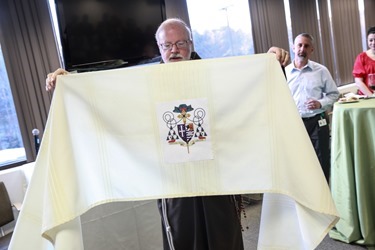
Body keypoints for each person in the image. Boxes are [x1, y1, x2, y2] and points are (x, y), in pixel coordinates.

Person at [46, 18, 289, 250]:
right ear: (159, 49)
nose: (174, 50)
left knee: (225, 241)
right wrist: (70, 85)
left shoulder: (215, 75)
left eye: (180, 43)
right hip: (174, 185)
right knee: (184, 242)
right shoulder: (145, 83)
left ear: (190, 45)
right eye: (167, 45)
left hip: (218, 180)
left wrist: (269, 64)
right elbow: (107, 98)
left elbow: (248, 88)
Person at [285, 33, 339, 184]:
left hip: (318, 121)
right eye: (299, 45)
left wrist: (320, 103)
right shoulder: (285, 73)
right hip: (295, 123)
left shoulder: (321, 71)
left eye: (306, 46)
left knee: (322, 160)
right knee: (298, 159)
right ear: (293, 48)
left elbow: (334, 94)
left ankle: (325, 196)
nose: (302, 49)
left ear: (312, 50)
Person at [353, 26, 375, 96]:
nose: (373, 43)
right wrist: (371, 96)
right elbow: (358, 81)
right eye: (371, 40)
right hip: (366, 97)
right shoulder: (361, 57)